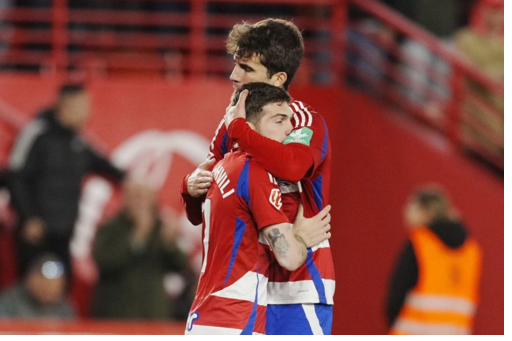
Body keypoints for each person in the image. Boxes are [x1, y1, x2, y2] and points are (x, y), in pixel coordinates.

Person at [181, 19, 334, 335]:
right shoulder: (230, 124)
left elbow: (292, 167)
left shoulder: (302, 121)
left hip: (300, 284)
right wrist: (189, 187)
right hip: (251, 287)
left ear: (278, 79)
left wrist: (240, 130)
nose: (234, 76)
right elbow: (205, 198)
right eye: (236, 65)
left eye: (247, 68)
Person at [8, 83, 126, 279]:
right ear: (65, 105)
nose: (88, 112)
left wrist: (129, 178)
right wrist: (28, 217)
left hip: (63, 233)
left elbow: (102, 163)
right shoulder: (36, 133)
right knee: (32, 289)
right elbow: (15, 177)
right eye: (84, 106)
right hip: (37, 232)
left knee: (63, 286)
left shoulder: (77, 140)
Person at [386, 186, 482, 335]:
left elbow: (395, 298)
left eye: (412, 206)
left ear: (426, 211)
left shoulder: (419, 243)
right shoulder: (472, 250)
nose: (406, 211)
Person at [91, 180, 189, 320]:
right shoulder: (110, 228)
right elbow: (103, 261)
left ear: (153, 200)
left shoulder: (161, 228)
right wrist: (138, 236)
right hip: (115, 315)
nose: (139, 202)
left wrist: (170, 243)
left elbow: (181, 265)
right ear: (125, 199)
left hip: (153, 314)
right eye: (135, 196)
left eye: (144, 197)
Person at [0, 252, 75, 319]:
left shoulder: (63, 308)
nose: (52, 290)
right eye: (47, 285)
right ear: (30, 280)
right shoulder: (9, 303)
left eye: (57, 287)